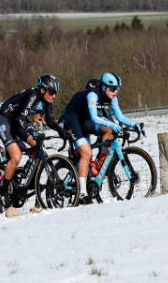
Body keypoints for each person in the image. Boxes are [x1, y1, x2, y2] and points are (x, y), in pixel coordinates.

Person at [61, 72, 143, 204]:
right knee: (87, 152)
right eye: (113, 88)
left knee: (109, 130)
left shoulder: (112, 98)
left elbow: (120, 117)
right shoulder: (93, 95)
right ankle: (82, 194)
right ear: (104, 87)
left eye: (118, 88)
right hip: (72, 119)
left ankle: (99, 163)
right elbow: (95, 118)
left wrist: (135, 125)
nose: (116, 91)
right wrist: (111, 124)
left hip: (85, 120)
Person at [0, 75, 63, 207]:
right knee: (16, 156)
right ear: (43, 90)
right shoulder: (33, 95)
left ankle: (29, 178)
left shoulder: (47, 100)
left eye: (55, 93)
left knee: (39, 145)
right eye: (52, 92)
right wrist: (33, 132)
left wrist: (62, 132)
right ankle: (3, 191)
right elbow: (20, 118)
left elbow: (49, 121)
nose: (54, 96)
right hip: (5, 119)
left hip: (17, 120)